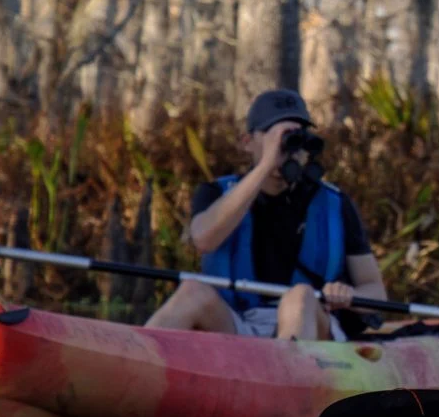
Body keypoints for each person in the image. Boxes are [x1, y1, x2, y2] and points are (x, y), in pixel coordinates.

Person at [146, 89, 386, 341]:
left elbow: (376, 292)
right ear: (247, 142)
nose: (288, 148)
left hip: (310, 325)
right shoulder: (216, 192)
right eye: (279, 136)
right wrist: (265, 166)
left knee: (299, 296)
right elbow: (204, 239)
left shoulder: (335, 204)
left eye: (296, 138)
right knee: (192, 291)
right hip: (236, 322)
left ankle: (287, 370)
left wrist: (346, 295)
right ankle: (137, 356)